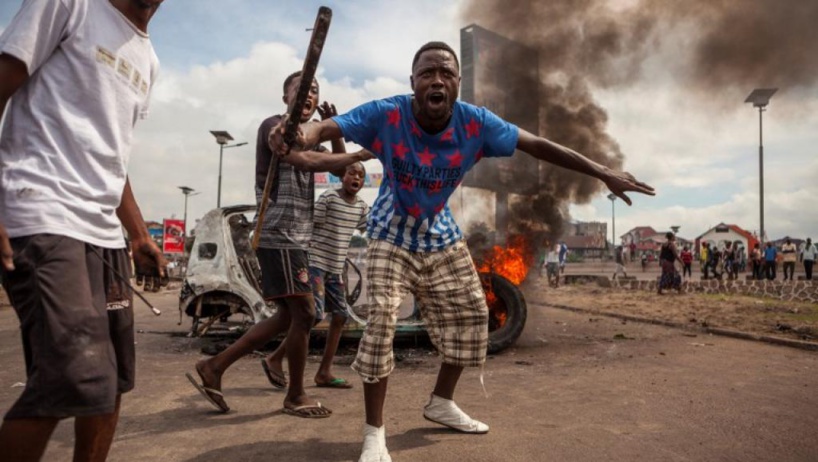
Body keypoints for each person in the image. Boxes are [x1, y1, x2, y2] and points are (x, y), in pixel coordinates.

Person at [271, 41, 654, 462]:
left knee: (474, 314)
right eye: (427, 73)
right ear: (413, 82)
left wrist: (602, 172)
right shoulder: (388, 113)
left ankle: (440, 402)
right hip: (391, 230)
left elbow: (539, 144)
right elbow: (326, 130)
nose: (436, 80)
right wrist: (298, 132)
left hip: (439, 231)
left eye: (446, 73)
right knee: (381, 318)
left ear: (457, 82)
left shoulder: (477, 124)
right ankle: (373, 434)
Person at [0, 1, 168, 461]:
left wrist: (137, 234)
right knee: (73, 375)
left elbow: (112, 153)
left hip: (106, 235)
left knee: (111, 381)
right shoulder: (69, 4)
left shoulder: (148, 59)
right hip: (41, 210)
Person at [187, 71, 373, 417]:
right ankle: (296, 395)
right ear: (285, 96)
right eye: (300, 89)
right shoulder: (275, 127)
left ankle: (216, 366)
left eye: (314, 91)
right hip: (280, 233)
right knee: (305, 313)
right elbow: (308, 161)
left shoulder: (309, 133)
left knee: (290, 315)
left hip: (297, 237)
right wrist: (358, 156)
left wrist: (336, 131)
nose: (308, 95)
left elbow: (333, 169)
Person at [265, 162, 370, 391]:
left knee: (341, 315)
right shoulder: (328, 198)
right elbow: (310, 226)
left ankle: (324, 372)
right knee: (313, 315)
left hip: (335, 267)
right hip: (315, 263)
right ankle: (275, 357)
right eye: (351, 172)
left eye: (361, 176)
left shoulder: (362, 207)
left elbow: (371, 227)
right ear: (342, 176)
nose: (356, 178)